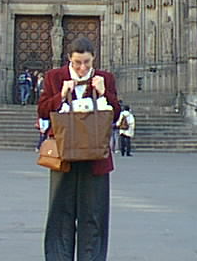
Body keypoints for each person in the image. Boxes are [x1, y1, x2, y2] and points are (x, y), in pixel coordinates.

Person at [37, 37, 120, 261]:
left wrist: (105, 94)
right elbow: (43, 110)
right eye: (77, 63)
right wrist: (61, 95)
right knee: (60, 213)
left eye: (86, 62)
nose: (82, 68)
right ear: (69, 60)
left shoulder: (105, 79)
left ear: (94, 58)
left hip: (96, 156)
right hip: (64, 156)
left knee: (94, 214)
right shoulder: (54, 78)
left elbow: (117, 113)